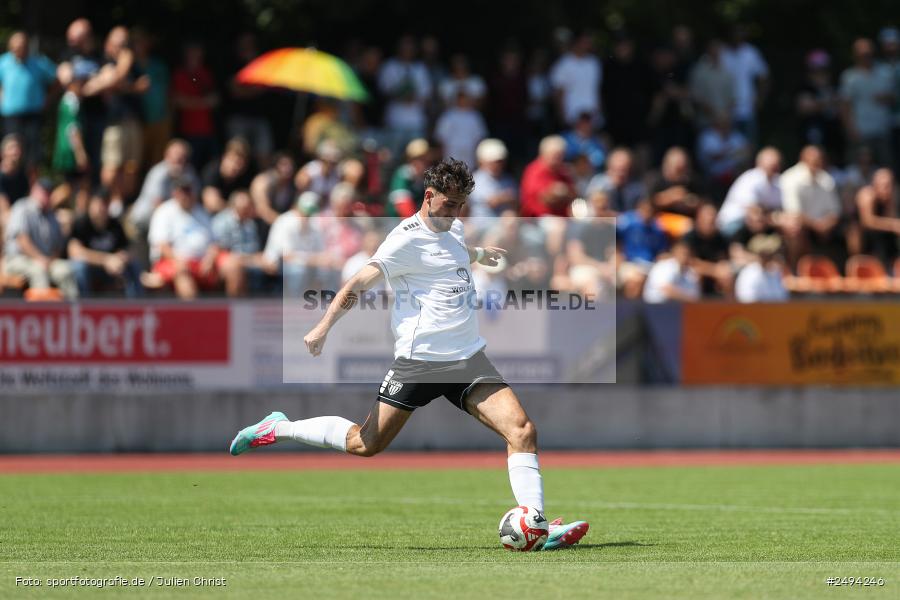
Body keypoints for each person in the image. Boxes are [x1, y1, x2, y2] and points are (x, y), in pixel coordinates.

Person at [229, 158, 590, 551]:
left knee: (522, 431)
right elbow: (358, 283)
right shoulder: (403, 239)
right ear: (428, 196)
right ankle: (280, 427)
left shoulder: (453, 228)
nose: (455, 213)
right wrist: (323, 327)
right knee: (365, 443)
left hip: (467, 359)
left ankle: (536, 523)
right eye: (449, 204)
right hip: (420, 363)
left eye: (461, 205)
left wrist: (479, 253)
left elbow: (451, 253)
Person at [147, 176, 245, 299]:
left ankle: (234, 309)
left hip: (203, 262)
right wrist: (179, 260)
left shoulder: (201, 211)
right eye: (182, 191)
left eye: (188, 190)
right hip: (173, 261)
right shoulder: (164, 212)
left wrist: (210, 258)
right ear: (174, 193)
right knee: (182, 271)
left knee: (234, 265)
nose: (185, 195)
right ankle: (193, 311)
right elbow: (162, 246)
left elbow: (215, 242)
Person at [3, 179, 77, 299]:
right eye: (43, 191)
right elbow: (22, 240)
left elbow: (58, 246)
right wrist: (40, 259)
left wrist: (50, 260)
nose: (45, 195)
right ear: (34, 191)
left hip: (46, 260)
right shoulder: (22, 207)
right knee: (38, 271)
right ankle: (42, 309)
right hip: (18, 260)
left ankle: (73, 309)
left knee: (66, 271)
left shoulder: (52, 214)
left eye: (48, 192)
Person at [67, 189, 143, 297]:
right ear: (91, 204)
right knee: (80, 267)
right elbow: (75, 252)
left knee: (133, 265)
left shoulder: (115, 225)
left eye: (105, 204)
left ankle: (136, 304)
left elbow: (127, 249)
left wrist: (120, 258)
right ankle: (84, 304)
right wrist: (106, 260)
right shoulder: (81, 223)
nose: (101, 208)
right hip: (91, 268)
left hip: (111, 270)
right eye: (98, 204)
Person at [776, 145, 842, 268]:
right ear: (803, 160)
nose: (817, 163)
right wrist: (817, 226)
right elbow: (793, 212)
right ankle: (794, 269)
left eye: (819, 160)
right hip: (803, 226)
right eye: (813, 161)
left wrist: (826, 225)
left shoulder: (827, 180)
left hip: (823, 227)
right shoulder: (790, 178)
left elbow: (835, 211)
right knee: (794, 229)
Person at [0, 31, 57, 171]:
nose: (18, 51)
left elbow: (56, 80)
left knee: (33, 154)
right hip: (11, 115)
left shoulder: (39, 62)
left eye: (21, 47)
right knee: (12, 152)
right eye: (15, 48)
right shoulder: (3, 62)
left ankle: (32, 183)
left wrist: (48, 98)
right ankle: (11, 182)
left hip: (33, 115)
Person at [840, 38, 894, 167]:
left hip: (883, 131)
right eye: (862, 54)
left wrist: (888, 97)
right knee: (858, 170)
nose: (865, 57)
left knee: (887, 169)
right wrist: (851, 130)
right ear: (855, 55)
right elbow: (845, 106)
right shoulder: (849, 77)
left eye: (868, 54)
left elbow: (894, 98)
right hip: (860, 132)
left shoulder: (886, 72)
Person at [262, 191, 327, 297]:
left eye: (310, 213)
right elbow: (286, 256)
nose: (307, 215)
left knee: (326, 270)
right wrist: (312, 260)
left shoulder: (315, 224)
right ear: (297, 207)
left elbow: (321, 253)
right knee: (298, 270)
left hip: (305, 264)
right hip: (278, 264)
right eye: (305, 212)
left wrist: (322, 261)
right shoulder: (284, 221)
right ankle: (294, 303)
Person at [172, 41, 219, 170]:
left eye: (198, 52)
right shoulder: (180, 74)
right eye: (192, 52)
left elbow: (215, 99)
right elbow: (178, 101)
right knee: (190, 167)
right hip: (189, 130)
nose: (195, 55)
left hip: (208, 129)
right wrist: (204, 102)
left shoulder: (206, 73)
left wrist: (196, 102)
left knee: (211, 165)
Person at [51, 65, 90, 213]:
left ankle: (79, 213)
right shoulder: (72, 102)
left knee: (79, 185)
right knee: (71, 187)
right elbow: (73, 130)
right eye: (82, 82)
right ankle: (45, 206)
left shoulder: (67, 100)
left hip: (66, 150)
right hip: (70, 151)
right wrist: (80, 153)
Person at [717, 147, 782, 236]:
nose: (774, 166)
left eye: (776, 163)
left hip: (757, 224)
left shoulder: (777, 182)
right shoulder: (753, 177)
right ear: (759, 163)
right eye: (771, 163)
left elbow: (778, 209)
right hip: (732, 224)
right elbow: (752, 212)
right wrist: (773, 218)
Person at [212, 189, 267, 293]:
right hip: (228, 260)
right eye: (243, 208)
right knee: (235, 267)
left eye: (248, 207)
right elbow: (222, 250)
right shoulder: (222, 221)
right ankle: (236, 302)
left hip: (249, 259)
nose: (247, 211)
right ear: (234, 207)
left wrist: (260, 258)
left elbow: (254, 248)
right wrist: (248, 260)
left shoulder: (251, 224)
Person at [721, 25, 769, 141]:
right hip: (725, 109)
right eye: (734, 34)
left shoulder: (751, 53)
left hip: (747, 108)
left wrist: (760, 100)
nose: (737, 37)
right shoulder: (722, 53)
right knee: (728, 144)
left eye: (739, 34)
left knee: (749, 143)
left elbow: (763, 77)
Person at [132, 28, 170, 170]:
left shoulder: (158, 66)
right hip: (138, 121)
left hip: (161, 119)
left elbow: (168, 92)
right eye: (136, 42)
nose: (140, 45)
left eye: (143, 41)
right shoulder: (129, 67)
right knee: (136, 161)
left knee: (158, 161)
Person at [795, 50, 843, 163]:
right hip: (813, 132)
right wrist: (828, 102)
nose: (820, 74)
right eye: (816, 71)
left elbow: (842, 108)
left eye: (824, 70)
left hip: (833, 135)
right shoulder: (805, 88)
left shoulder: (834, 87)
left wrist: (820, 103)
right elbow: (804, 107)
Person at [550, 31, 602, 126]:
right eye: (585, 42)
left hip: (592, 114)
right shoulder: (563, 64)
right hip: (572, 115)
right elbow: (558, 92)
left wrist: (598, 111)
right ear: (576, 42)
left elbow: (596, 89)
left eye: (589, 42)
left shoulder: (594, 63)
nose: (587, 45)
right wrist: (562, 115)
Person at [683, 203, 733, 297]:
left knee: (727, 275)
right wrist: (713, 270)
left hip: (716, 275)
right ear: (699, 219)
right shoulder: (689, 237)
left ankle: (727, 304)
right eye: (707, 218)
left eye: (713, 219)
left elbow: (724, 261)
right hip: (693, 274)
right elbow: (689, 262)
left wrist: (721, 270)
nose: (711, 220)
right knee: (695, 275)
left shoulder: (721, 238)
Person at [519, 135, 576, 218]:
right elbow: (538, 199)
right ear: (544, 154)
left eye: (561, 155)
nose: (559, 159)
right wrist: (555, 192)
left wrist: (565, 192)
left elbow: (573, 194)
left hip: (563, 217)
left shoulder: (563, 171)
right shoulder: (534, 171)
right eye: (555, 155)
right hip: (538, 218)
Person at [855, 168, 900, 268]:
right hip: (863, 239)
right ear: (875, 184)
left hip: (882, 238)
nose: (888, 189)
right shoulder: (866, 195)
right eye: (885, 186)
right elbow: (867, 221)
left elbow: (889, 217)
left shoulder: (888, 198)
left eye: (890, 185)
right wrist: (893, 225)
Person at [434, 89, 487, 170]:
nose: (463, 101)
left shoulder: (475, 116)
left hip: (470, 153)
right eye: (461, 98)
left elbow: (479, 137)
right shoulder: (448, 115)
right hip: (452, 152)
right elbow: (441, 136)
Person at [201, 137, 254, 215]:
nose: (236, 166)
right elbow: (212, 204)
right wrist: (236, 208)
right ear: (224, 157)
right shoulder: (212, 171)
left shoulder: (245, 176)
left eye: (240, 163)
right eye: (233, 160)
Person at [689, 39, 734, 130]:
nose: (716, 52)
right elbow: (696, 96)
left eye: (719, 49)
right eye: (714, 48)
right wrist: (713, 114)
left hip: (724, 124)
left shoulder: (727, 72)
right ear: (708, 50)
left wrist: (724, 116)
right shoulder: (699, 71)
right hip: (705, 122)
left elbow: (732, 98)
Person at [469, 139, 517, 221]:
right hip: (481, 224)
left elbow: (516, 202)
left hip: (504, 224)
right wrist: (505, 197)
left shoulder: (508, 179)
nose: (498, 164)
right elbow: (492, 202)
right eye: (495, 161)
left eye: (500, 161)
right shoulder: (476, 179)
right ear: (482, 161)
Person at [585, 148, 645, 214]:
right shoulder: (599, 185)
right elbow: (599, 212)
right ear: (608, 168)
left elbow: (642, 212)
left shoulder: (636, 188)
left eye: (624, 170)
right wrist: (623, 218)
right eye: (616, 169)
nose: (620, 174)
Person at [734, 234, 788, 302]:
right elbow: (746, 299)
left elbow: (782, 297)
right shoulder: (748, 273)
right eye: (764, 254)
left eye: (770, 254)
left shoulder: (776, 272)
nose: (767, 257)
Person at [0, 134, 30, 224]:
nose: (15, 151)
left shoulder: (22, 175)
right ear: (3, 153)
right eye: (11, 148)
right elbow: (4, 209)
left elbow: (28, 200)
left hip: (18, 215)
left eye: (17, 148)